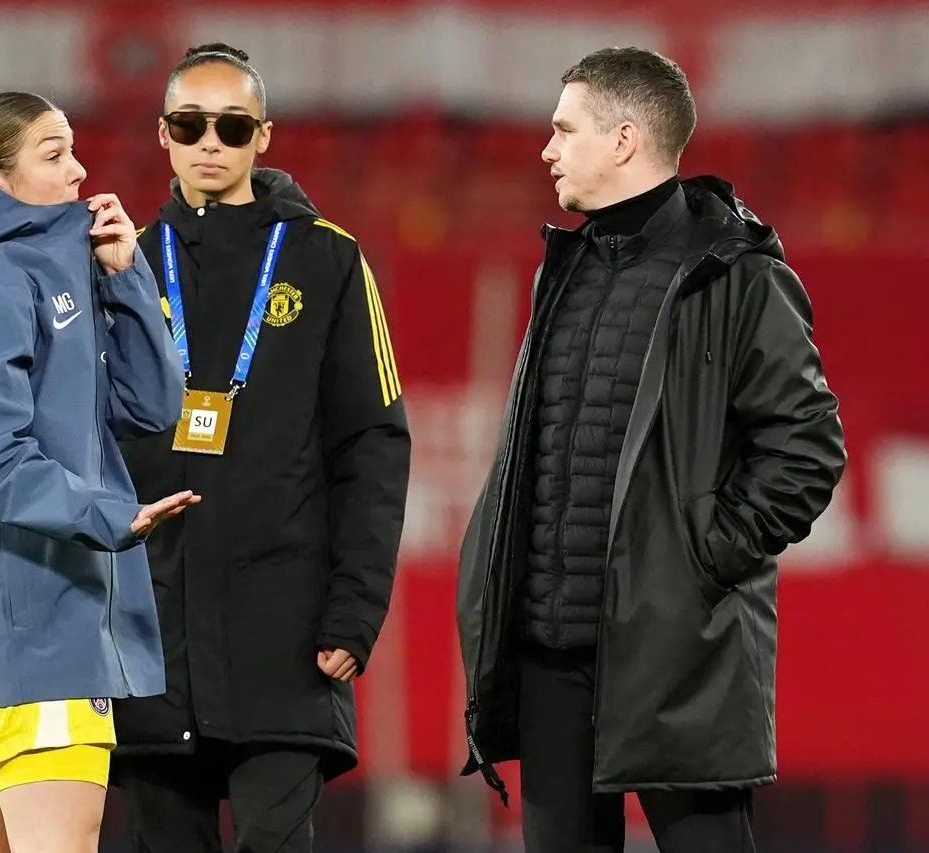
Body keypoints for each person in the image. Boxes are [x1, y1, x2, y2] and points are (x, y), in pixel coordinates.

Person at [456, 47, 846, 853]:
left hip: (678, 647)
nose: (547, 149)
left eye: (565, 129)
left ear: (625, 138)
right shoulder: (560, 268)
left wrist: (699, 561)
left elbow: (806, 446)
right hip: (551, 651)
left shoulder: (736, 274)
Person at [110, 44, 412, 853]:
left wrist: (356, 609)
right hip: (152, 640)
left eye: (233, 125)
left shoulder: (327, 258)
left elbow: (375, 445)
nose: (212, 141)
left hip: (285, 637)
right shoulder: (124, 264)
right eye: (191, 123)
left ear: (264, 137)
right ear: (163, 135)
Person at [0, 91, 197, 853]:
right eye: (54, 156)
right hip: (37, 640)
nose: (79, 172)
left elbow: (154, 406)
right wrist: (110, 515)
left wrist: (125, 277)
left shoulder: (33, 275)